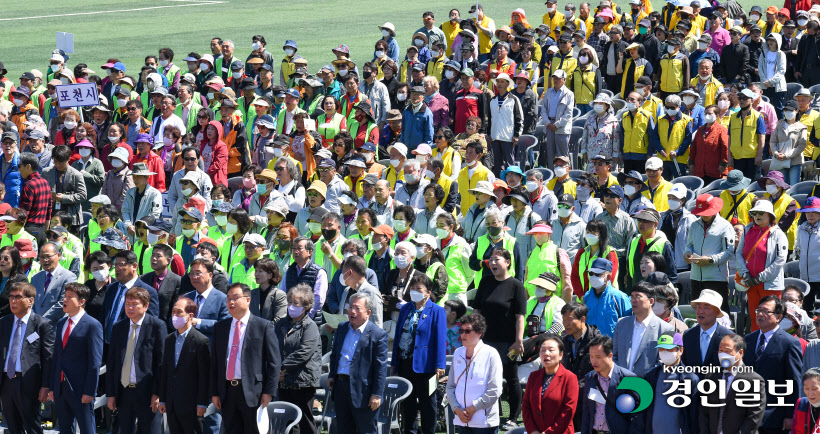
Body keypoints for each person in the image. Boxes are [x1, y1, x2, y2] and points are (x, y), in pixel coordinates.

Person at [210, 283, 279, 434]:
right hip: (227, 391)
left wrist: (269, 392)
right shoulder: (220, 327)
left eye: (235, 298)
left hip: (253, 392)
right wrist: (215, 391)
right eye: (228, 299)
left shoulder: (263, 326)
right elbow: (215, 362)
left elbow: (274, 363)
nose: (231, 302)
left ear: (248, 300)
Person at [473, 249, 527, 431]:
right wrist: (473, 333)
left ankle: (513, 417)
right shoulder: (485, 281)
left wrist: (519, 340)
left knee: (511, 378)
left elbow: (520, 316)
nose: (493, 263)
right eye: (491, 260)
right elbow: (477, 310)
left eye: (497, 259)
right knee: (485, 378)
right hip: (486, 340)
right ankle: (485, 412)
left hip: (508, 342)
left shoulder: (516, 285)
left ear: (508, 262)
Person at [105, 287, 166, 433]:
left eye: (134, 304)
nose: (130, 308)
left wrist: (157, 393)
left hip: (147, 391)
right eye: (127, 304)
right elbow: (112, 362)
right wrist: (111, 394)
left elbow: (161, 363)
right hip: (124, 391)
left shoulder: (157, 326)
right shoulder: (119, 327)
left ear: (145, 306)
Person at [391, 273, 446, 434]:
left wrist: (439, 364)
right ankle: (410, 431)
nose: (414, 291)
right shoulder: (406, 308)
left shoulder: (437, 311)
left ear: (428, 292)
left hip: (426, 365)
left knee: (427, 403)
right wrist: (395, 360)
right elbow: (398, 335)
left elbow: (440, 339)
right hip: (405, 362)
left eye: (419, 289)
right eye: (413, 288)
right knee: (407, 403)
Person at [327, 292, 388, 434]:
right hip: (341, 387)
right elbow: (335, 355)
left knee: (365, 430)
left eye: (357, 308)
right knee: (343, 429)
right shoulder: (342, 328)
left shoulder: (377, 334)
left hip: (363, 392)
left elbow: (380, 368)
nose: (352, 312)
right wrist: (331, 375)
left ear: (368, 313)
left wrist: (377, 394)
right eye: (350, 307)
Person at [49, 282, 104, 434]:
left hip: (81, 389)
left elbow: (95, 361)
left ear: (81, 301)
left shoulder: (92, 325)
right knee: (64, 429)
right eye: (64, 296)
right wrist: (53, 387)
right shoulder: (61, 323)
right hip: (61, 388)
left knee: (87, 428)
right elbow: (57, 356)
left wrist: (89, 391)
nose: (64, 300)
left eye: (70, 297)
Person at [743, 295, 803, 433]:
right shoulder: (748, 339)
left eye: (766, 311)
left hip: (774, 416)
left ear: (778, 317)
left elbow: (793, 381)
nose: (760, 314)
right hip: (748, 413)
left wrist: (790, 415)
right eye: (758, 310)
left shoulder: (789, 343)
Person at [0, 282, 54, 434]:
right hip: (7, 382)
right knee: (12, 426)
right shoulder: (4, 322)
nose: (13, 301)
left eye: (18, 297)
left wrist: (45, 385)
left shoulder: (42, 324)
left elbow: (48, 358)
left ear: (30, 300)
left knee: (32, 426)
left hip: (29, 383)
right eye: (11, 297)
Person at [158, 297, 211, 434]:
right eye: (173, 312)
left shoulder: (201, 341)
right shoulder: (169, 339)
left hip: (191, 405)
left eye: (179, 312)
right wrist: (163, 399)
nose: (175, 316)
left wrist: (202, 402)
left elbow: (204, 375)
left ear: (190, 315)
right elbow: (165, 371)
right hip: (172, 403)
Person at [446, 313, 503, 434]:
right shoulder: (457, 354)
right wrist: (457, 409)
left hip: (484, 423)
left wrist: (472, 409)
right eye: (461, 331)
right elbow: (450, 386)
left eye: (468, 331)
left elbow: (495, 390)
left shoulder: (491, 354)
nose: (463, 335)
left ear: (479, 333)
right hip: (461, 420)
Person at [698, 333, 767, 433]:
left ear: (740, 353)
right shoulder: (711, 376)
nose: (723, 354)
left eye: (728, 351)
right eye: (721, 350)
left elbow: (754, 417)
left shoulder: (754, 380)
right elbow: (704, 410)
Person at [275, 284, 321, 434]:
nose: (291, 306)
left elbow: (304, 352)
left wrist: (282, 367)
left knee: (305, 422)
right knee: (288, 422)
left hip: (303, 382)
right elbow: (273, 346)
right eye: (290, 302)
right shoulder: (281, 324)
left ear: (306, 306)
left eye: (296, 303)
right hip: (283, 382)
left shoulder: (310, 326)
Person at [736, 200, 788, 330]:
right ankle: (756, 345)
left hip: (770, 284)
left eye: (761, 213)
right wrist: (745, 273)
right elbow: (738, 253)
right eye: (754, 213)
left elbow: (780, 260)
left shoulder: (778, 234)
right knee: (755, 317)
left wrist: (761, 277)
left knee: (771, 318)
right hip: (750, 282)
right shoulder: (747, 230)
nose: (757, 215)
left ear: (770, 215)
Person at [580, 335, 641, 434]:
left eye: (598, 357)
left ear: (610, 356)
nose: (593, 361)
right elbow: (587, 411)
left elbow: (637, 416)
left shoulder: (629, 378)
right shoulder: (589, 378)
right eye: (591, 356)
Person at [684, 193, 735, 310]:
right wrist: (687, 253)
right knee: (700, 311)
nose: (704, 216)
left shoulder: (725, 226)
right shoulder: (694, 225)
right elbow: (689, 244)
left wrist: (711, 260)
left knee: (719, 311)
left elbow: (729, 252)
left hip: (716, 278)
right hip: (696, 277)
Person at [640, 332, 699, 433]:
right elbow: (642, 412)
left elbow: (694, 417)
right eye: (661, 349)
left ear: (680, 350)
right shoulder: (650, 376)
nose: (664, 352)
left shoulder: (690, 379)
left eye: (668, 349)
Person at [612, 281, 673, 376]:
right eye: (632, 297)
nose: (633, 300)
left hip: (646, 386)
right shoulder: (622, 324)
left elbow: (662, 363)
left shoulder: (665, 329)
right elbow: (614, 356)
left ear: (651, 301)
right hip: (621, 384)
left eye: (638, 296)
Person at [521, 334, 579, 434]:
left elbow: (568, 411)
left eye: (551, 350)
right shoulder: (533, 376)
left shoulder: (570, 378)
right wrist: (533, 430)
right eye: (543, 350)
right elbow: (526, 406)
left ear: (561, 355)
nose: (546, 353)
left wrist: (549, 432)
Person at [102, 251, 160, 343]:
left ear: (134, 266)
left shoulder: (147, 291)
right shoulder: (111, 288)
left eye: (121, 265)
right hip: (106, 343)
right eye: (115, 265)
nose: (117, 269)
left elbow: (150, 323)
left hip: (130, 344)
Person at [625, 208, 677, 290]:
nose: (641, 224)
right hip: (636, 289)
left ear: (655, 224)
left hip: (655, 292)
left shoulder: (664, 244)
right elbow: (630, 271)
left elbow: (671, 275)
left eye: (646, 221)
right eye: (639, 220)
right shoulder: (634, 241)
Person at [681, 289, 732, 368]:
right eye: (698, 307)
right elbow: (684, 366)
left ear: (717, 312)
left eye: (706, 308)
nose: (701, 311)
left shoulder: (729, 337)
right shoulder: (688, 335)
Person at [281, 237, 329, 319]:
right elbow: (283, 293)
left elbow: (319, 299)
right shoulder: (290, 270)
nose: (296, 252)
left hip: (310, 319)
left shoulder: (319, 272)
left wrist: (306, 317)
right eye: (294, 248)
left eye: (299, 249)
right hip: (290, 318)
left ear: (310, 252)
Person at [182, 258, 229, 341]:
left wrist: (198, 323)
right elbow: (172, 320)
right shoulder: (185, 298)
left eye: (198, 273)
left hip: (209, 347)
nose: (194, 277)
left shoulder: (222, 299)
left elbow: (225, 325)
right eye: (191, 274)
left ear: (210, 275)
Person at [31, 242, 77, 322]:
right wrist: (33, 319)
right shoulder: (35, 278)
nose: (45, 260)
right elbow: (30, 301)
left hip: (56, 326)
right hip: (35, 325)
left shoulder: (69, 277)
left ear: (58, 256)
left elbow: (63, 302)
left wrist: (42, 320)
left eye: (48, 256)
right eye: (42, 257)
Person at [487, 73, 523, 175]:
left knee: (509, 163)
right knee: (497, 164)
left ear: (508, 84)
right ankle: (499, 186)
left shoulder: (514, 99)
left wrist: (516, 135)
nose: (499, 84)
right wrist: (489, 134)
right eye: (498, 81)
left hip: (508, 137)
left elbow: (519, 119)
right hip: (495, 137)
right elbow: (490, 119)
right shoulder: (492, 100)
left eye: (502, 81)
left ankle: (512, 184)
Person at [538, 70, 574, 169]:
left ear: (564, 79)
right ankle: (552, 177)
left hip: (562, 128)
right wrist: (548, 123)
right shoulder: (548, 92)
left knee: (563, 155)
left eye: (558, 78)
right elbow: (543, 110)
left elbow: (568, 113)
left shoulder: (569, 94)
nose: (555, 80)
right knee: (550, 155)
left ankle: (565, 175)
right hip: (549, 126)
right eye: (554, 78)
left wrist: (556, 125)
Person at [729, 88, 766, 180]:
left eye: (745, 98)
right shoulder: (733, 117)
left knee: (752, 185)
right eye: (740, 98)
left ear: (752, 100)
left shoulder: (758, 116)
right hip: (737, 157)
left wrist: (759, 155)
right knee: (738, 185)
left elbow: (762, 137)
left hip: (752, 157)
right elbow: (730, 137)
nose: (741, 100)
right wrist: (729, 156)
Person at [142, 243, 183, 325]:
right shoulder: (144, 278)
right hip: (145, 324)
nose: (154, 258)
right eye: (153, 255)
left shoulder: (177, 281)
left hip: (165, 326)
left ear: (168, 260)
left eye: (158, 256)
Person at [17, 152, 51, 248]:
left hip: (29, 229)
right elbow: (49, 211)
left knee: (27, 261)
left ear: (28, 167)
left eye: (20, 166)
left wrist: (19, 230)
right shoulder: (45, 183)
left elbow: (24, 212)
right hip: (42, 231)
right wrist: (45, 232)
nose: (19, 170)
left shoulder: (29, 185)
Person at [770, 100, 807, 186]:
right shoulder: (779, 125)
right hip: (780, 160)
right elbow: (773, 141)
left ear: (797, 111)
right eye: (786, 110)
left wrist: (787, 155)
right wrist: (775, 153)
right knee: (782, 186)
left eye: (790, 110)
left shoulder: (802, 127)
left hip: (795, 162)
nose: (787, 112)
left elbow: (801, 145)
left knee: (794, 187)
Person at [580, 95, 620, 167]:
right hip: (592, 157)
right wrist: (584, 152)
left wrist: (615, 155)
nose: (598, 105)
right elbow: (584, 137)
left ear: (607, 106)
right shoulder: (590, 119)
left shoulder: (613, 121)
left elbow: (616, 140)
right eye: (596, 103)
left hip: (606, 158)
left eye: (601, 103)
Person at [71, 139, 104, 210]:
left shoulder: (97, 163)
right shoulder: (75, 164)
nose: (83, 149)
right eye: (81, 147)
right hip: (77, 201)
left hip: (92, 201)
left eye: (86, 147)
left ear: (91, 150)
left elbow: (101, 181)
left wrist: (86, 175)